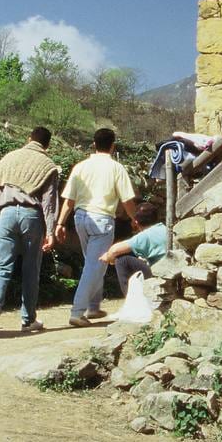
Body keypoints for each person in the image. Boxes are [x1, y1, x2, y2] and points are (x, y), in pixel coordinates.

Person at [53, 128, 137, 328]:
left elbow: (69, 200)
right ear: (113, 145)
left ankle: (93, 306)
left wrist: (60, 223)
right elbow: (127, 200)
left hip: (80, 218)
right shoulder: (116, 168)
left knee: (92, 263)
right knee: (95, 265)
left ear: (93, 144)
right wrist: (136, 219)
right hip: (102, 219)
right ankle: (77, 311)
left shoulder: (80, 167)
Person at [0, 127, 60, 336]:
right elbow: (49, 202)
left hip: (6, 213)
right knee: (30, 269)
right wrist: (51, 231)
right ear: (47, 145)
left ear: (28, 139)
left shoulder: (8, 159)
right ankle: (28, 319)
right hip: (31, 216)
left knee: (2, 265)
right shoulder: (48, 166)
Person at [99, 202, 167, 294]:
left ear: (135, 222)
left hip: (161, 273)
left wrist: (108, 257)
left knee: (122, 260)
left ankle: (131, 299)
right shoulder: (164, 228)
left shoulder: (145, 236)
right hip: (168, 269)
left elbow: (114, 250)